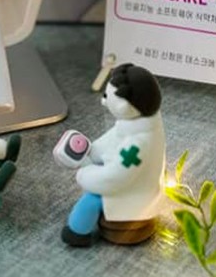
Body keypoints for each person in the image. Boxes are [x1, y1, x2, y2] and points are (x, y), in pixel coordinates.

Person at [61, 63, 165, 247]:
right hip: (135, 184)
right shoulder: (139, 124)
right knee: (95, 186)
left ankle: (76, 233)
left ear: (124, 107)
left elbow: (115, 177)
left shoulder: (138, 145)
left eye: (106, 97)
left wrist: (85, 174)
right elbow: (114, 137)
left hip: (135, 198)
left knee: (90, 200)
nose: (103, 101)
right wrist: (92, 151)